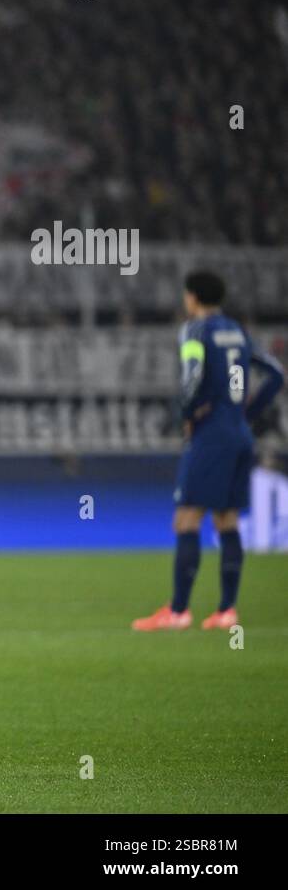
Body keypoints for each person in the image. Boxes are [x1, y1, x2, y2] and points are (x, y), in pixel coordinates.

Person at [132, 271, 283, 632]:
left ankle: (179, 611)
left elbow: (193, 376)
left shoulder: (194, 331)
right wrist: (246, 411)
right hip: (240, 435)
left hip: (211, 436)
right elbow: (276, 374)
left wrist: (185, 415)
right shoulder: (237, 331)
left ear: (193, 297)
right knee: (227, 521)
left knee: (186, 519)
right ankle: (227, 610)